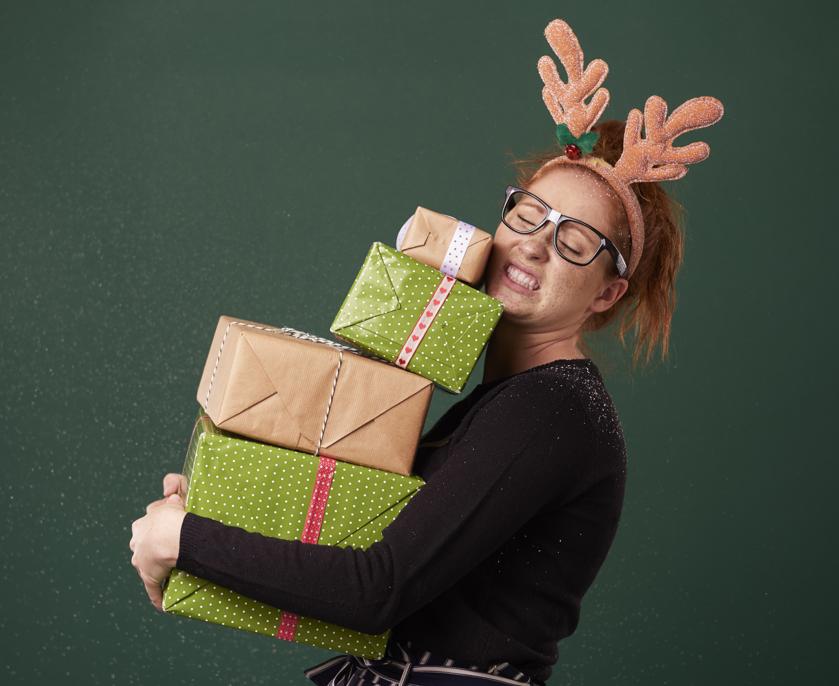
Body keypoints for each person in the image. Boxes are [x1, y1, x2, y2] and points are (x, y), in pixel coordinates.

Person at [129, 18, 723, 685]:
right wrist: (214, 515)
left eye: (575, 239)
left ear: (606, 294)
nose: (534, 243)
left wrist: (185, 540)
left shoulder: (554, 407)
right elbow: (367, 553)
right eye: (528, 213)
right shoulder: (510, 399)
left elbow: (374, 589)